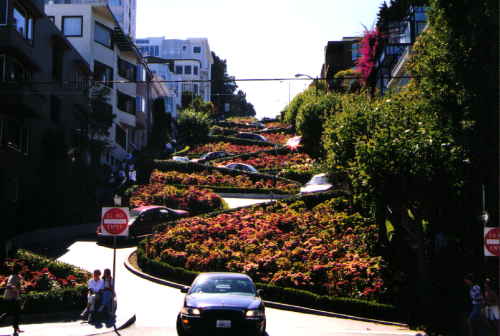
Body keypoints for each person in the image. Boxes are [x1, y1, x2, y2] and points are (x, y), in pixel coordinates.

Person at [3, 263, 23, 335]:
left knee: (15, 313)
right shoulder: (13, 276)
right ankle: (16, 329)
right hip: (11, 298)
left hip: (14, 297)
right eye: (21, 269)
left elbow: (18, 286)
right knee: (12, 313)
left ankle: (16, 329)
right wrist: (15, 289)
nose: (22, 270)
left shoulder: (17, 276)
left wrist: (20, 289)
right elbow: (9, 285)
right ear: (18, 270)